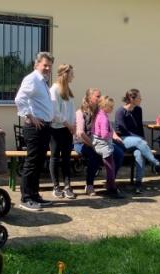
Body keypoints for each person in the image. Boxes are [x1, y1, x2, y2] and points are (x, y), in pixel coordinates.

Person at [15, 52, 56, 212]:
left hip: (44, 127)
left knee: (39, 163)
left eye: (49, 66)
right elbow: (20, 99)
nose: (47, 68)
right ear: (36, 64)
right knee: (32, 162)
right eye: (45, 65)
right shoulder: (31, 79)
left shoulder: (43, 82)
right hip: (35, 128)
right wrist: (30, 117)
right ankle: (26, 198)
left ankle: (34, 194)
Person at [114, 89, 160, 194]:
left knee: (140, 154)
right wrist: (140, 140)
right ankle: (157, 164)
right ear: (131, 98)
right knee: (140, 142)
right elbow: (121, 131)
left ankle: (138, 183)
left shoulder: (138, 110)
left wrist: (142, 139)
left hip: (137, 141)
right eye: (139, 97)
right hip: (123, 140)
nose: (141, 99)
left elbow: (139, 127)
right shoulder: (120, 112)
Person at [73, 88, 124, 196]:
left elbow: (108, 127)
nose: (100, 98)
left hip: (99, 141)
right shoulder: (80, 112)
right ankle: (89, 185)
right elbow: (80, 133)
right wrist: (92, 145)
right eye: (97, 96)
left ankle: (110, 182)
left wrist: (115, 136)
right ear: (89, 98)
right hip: (82, 143)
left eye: (100, 96)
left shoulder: (100, 111)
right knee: (94, 154)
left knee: (119, 153)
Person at [49, 64, 77, 200]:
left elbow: (71, 111)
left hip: (68, 130)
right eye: (71, 73)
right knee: (55, 157)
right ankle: (56, 186)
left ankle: (67, 186)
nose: (73, 76)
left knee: (66, 158)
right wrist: (67, 124)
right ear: (65, 74)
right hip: (56, 129)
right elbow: (55, 113)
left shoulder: (68, 90)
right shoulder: (54, 89)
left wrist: (73, 125)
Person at [92, 96, 122, 198]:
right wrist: (111, 134)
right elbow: (104, 135)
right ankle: (111, 189)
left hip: (101, 143)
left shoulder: (100, 114)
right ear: (104, 106)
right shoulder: (103, 117)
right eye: (111, 107)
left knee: (111, 166)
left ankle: (111, 186)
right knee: (110, 167)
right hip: (103, 145)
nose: (112, 109)